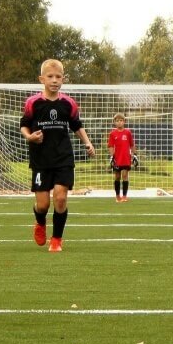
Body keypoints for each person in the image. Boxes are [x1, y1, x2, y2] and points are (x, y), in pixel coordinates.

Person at [21, 59, 95, 252]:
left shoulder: (68, 103)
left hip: (63, 158)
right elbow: (24, 125)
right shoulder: (33, 103)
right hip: (40, 160)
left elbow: (76, 125)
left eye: (58, 77)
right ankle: (40, 222)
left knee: (60, 199)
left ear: (63, 79)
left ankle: (56, 240)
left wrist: (87, 142)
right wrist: (30, 137)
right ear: (42, 79)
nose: (54, 80)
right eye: (50, 76)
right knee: (43, 205)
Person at [107, 112, 136, 203]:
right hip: (117, 158)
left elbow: (132, 145)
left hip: (126, 158)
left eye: (121, 120)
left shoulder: (128, 133)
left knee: (125, 176)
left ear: (124, 122)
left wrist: (134, 155)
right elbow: (110, 146)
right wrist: (112, 156)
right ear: (114, 122)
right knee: (117, 176)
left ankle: (124, 196)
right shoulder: (112, 134)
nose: (119, 122)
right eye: (117, 121)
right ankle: (117, 196)